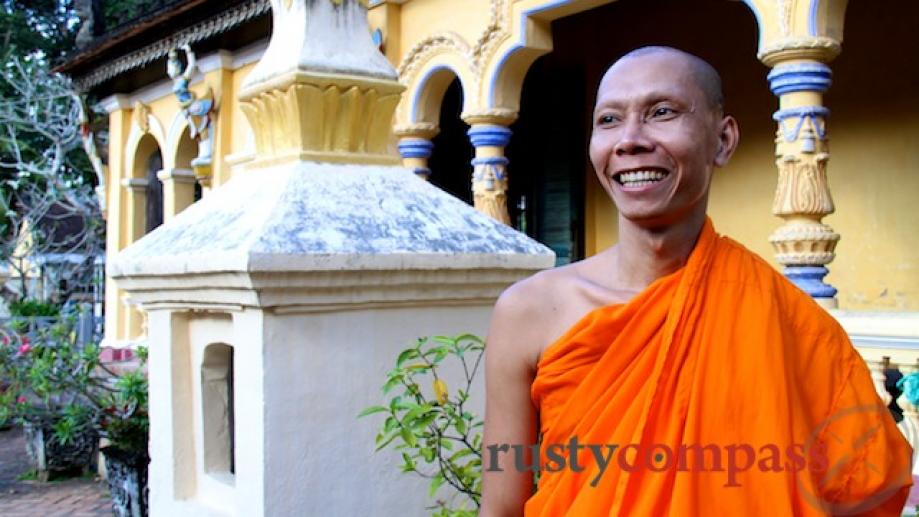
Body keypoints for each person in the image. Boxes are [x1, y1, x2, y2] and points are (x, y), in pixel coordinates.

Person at [480, 46, 912, 516]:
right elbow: (502, 508)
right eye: (608, 120)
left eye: (661, 112)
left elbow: (867, 485)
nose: (629, 140)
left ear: (722, 140)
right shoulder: (529, 311)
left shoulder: (787, 322)